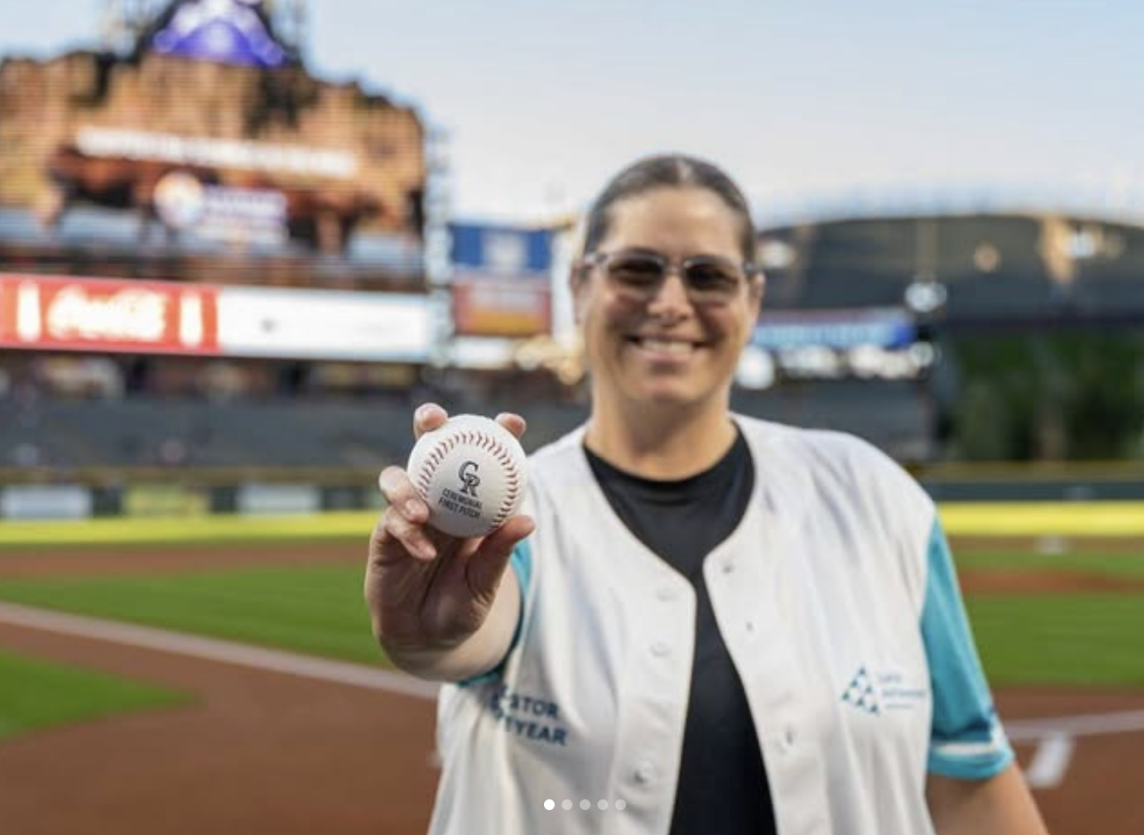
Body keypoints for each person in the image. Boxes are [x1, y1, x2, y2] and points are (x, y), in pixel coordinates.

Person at [365, 153, 1050, 835]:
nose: (670, 302)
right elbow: (464, 633)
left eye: (709, 275)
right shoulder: (520, 515)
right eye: (636, 268)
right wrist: (429, 628)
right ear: (578, 287)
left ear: (752, 299)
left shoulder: (877, 497)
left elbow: (973, 780)